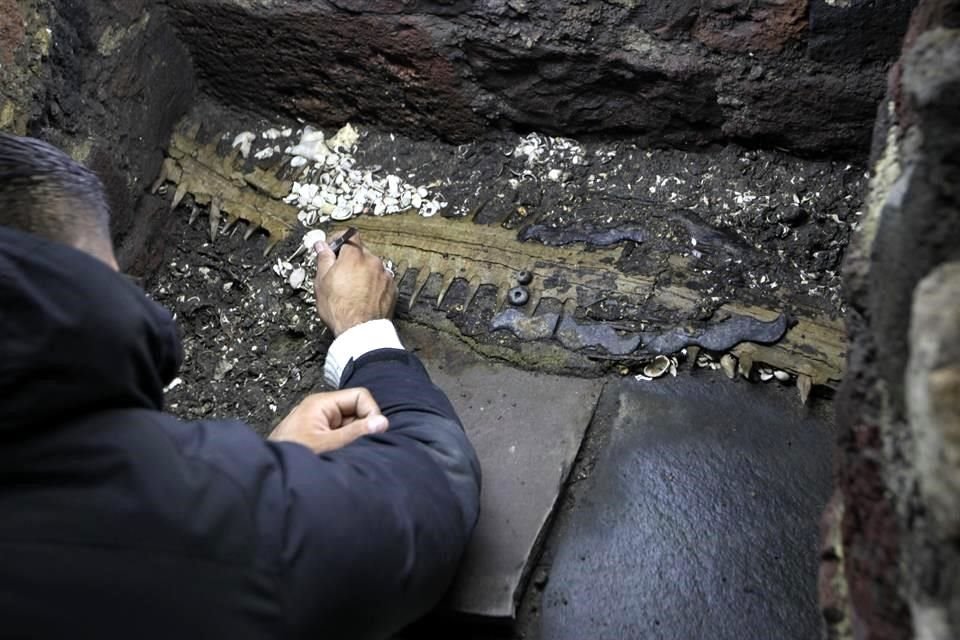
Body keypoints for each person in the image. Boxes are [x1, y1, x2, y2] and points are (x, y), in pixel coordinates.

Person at [0, 132, 481, 639]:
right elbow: (427, 494)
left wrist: (268, 464)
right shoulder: (156, 516)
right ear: (87, 285)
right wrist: (363, 331)